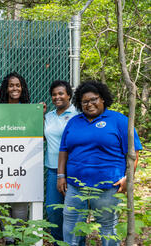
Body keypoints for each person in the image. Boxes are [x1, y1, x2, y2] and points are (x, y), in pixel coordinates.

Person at [57, 80, 142, 246]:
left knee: (108, 230)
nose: (89, 104)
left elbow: (133, 153)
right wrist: (61, 176)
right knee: (71, 230)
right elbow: (63, 150)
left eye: (93, 99)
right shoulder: (74, 122)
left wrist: (127, 178)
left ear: (102, 98)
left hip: (108, 187)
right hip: (75, 187)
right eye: (85, 102)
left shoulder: (119, 121)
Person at [0, 72, 30, 243]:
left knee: (20, 202)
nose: (14, 88)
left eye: (18, 85)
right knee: (2, 201)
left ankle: (17, 238)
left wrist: (39, 114)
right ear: (6, 88)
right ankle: (8, 240)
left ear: (22, 87)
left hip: (22, 164)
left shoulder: (29, 110)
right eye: (11, 85)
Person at [44, 80, 78, 244]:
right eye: (54, 94)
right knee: (53, 211)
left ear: (69, 95)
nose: (57, 97)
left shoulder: (78, 114)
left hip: (73, 170)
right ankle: (59, 242)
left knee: (74, 212)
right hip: (52, 169)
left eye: (61, 93)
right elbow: (42, 137)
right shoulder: (49, 116)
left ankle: (77, 242)